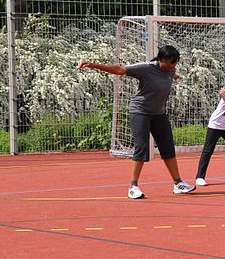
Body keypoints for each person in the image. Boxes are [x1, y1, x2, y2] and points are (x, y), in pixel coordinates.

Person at [78, 45, 195, 199]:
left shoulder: (170, 70)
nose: (173, 66)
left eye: (175, 63)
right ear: (161, 60)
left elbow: (168, 76)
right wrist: (94, 65)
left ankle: (178, 183)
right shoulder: (145, 68)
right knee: (142, 148)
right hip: (140, 111)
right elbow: (119, 69)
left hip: (158, 114)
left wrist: (173, 76)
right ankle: (133, 186)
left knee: (168, 147)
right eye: (170, 63)